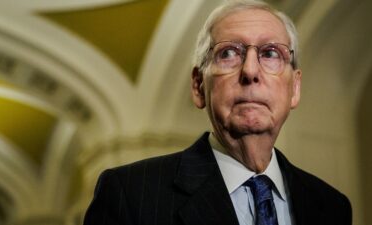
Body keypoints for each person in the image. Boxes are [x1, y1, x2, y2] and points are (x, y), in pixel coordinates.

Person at [83, 0, 352, 225]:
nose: (250, 71)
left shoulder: (331, 206)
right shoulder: (128, 194)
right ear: (199, 86)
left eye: (270, 53)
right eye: (229, 53)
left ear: (294, 88)